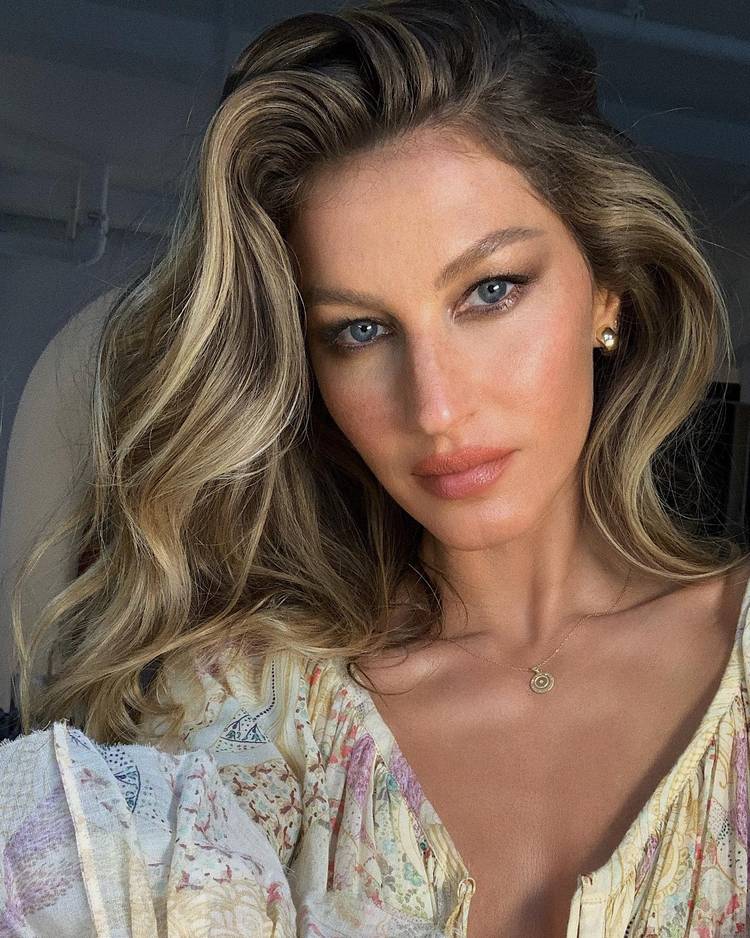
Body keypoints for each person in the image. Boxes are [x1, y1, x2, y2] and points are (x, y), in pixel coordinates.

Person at [2, 0, 749, 935]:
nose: (435, 409)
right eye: (360, 331)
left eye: (490, 291)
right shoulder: (246, 715)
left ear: (608, 289)